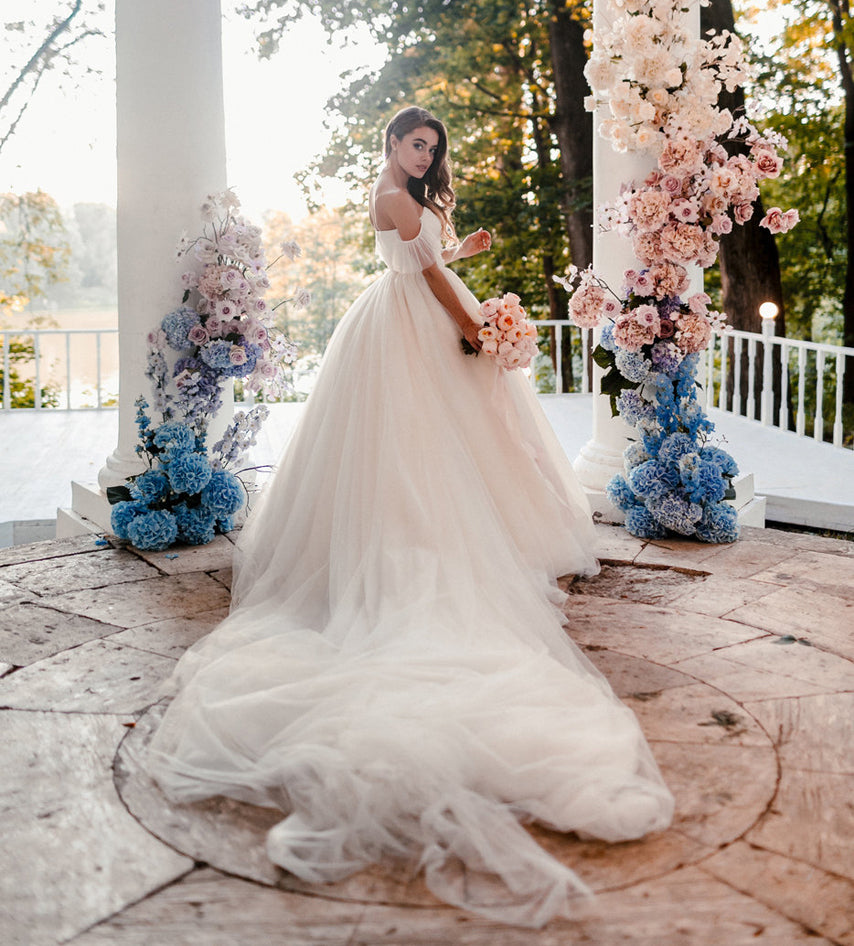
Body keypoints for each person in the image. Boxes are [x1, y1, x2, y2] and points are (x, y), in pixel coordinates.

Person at [148, 105, 674, 928]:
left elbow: (429, 254)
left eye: (433, 146)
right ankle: (420, 548)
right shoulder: (393, 193)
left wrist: (464, 257)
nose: (426, 155)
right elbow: (421, 271)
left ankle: (475, 531)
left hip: (418, 307)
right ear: (392, 143)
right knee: (414, 448)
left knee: (461, 444)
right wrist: (476, 322)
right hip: (413, 321)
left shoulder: (407, 197)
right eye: (416, 143)